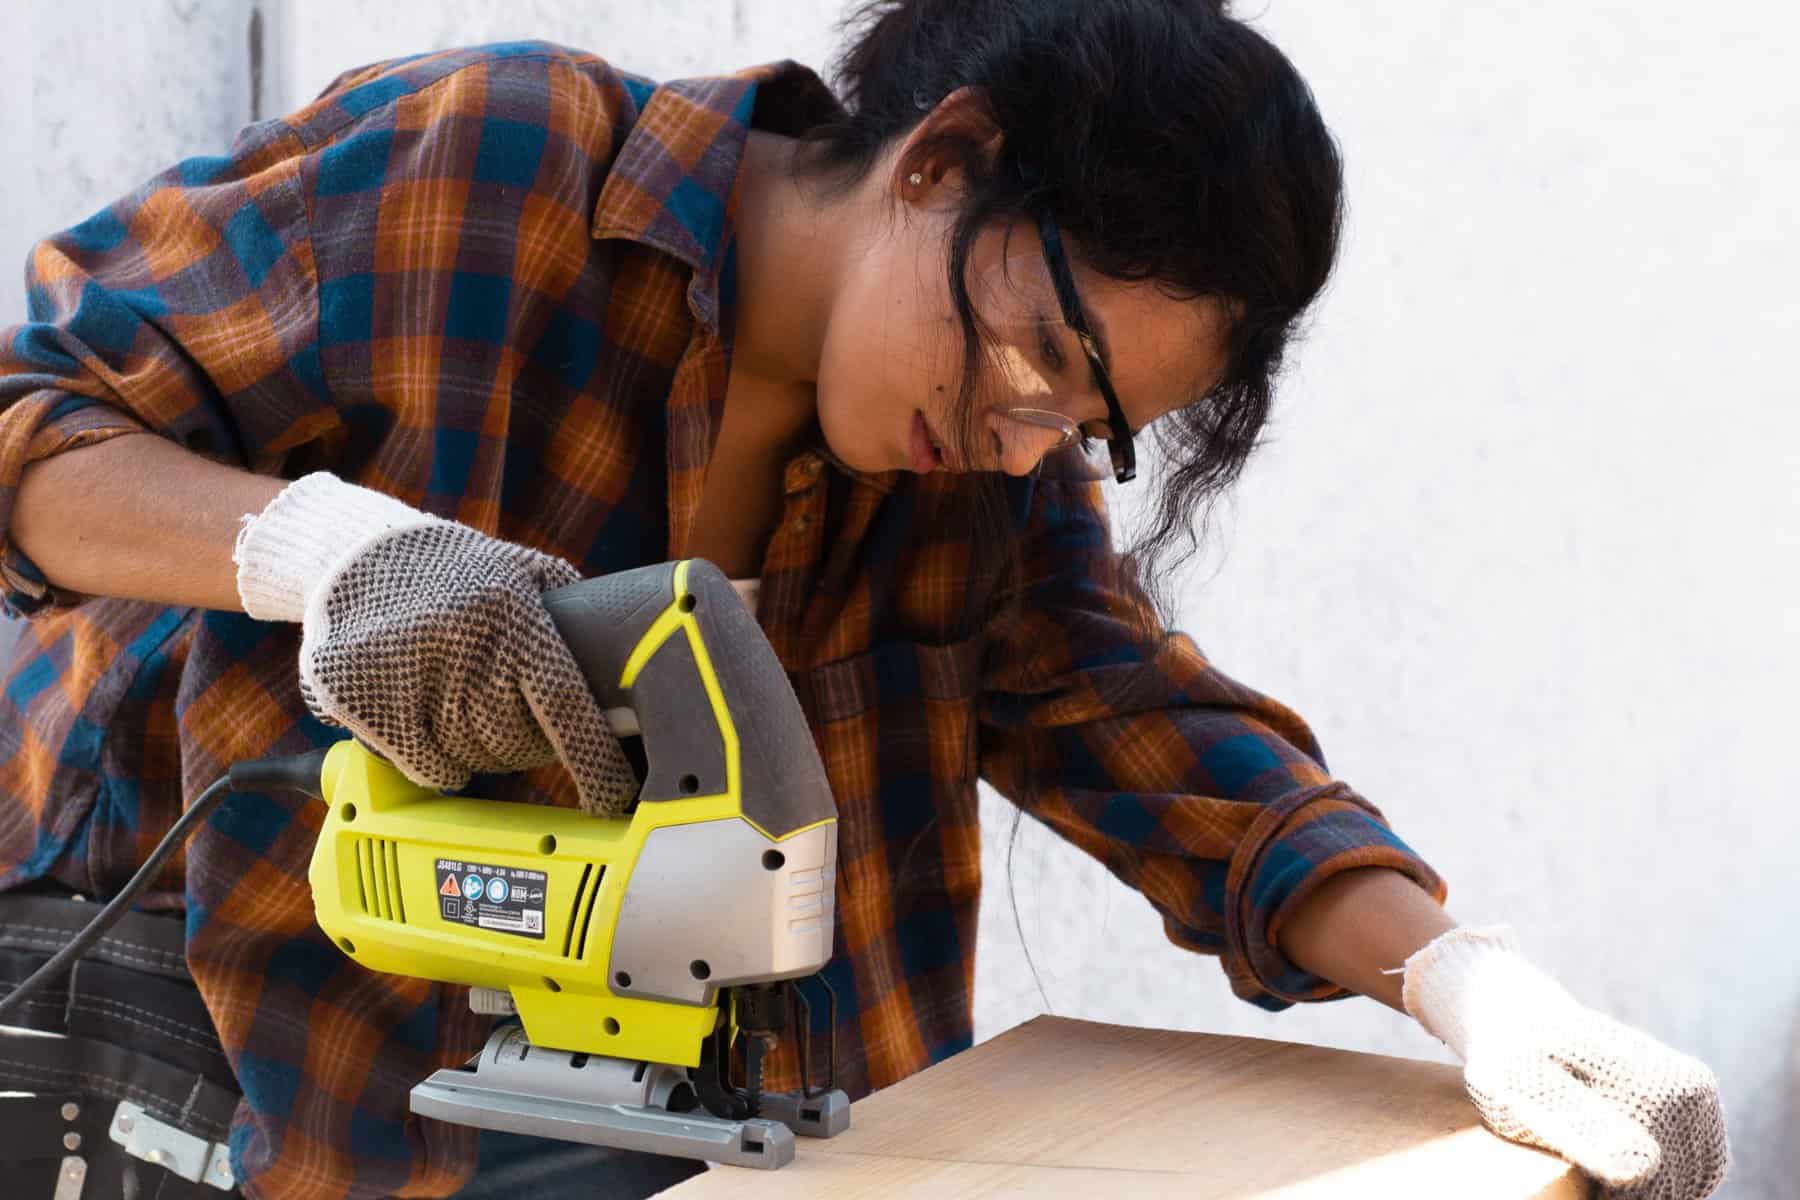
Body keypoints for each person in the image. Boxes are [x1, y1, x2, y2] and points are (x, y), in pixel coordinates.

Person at [0, 2, 1728, 1198]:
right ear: (939, 159)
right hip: (246, 1078)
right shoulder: (488, 168)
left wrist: (1465, 986)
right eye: (1039, 353)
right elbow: (30, 424)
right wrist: (325, 554)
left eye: (1084, 419)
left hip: (713, 1136)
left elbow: (1161, 744)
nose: (1022, 429)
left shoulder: (979, 483)